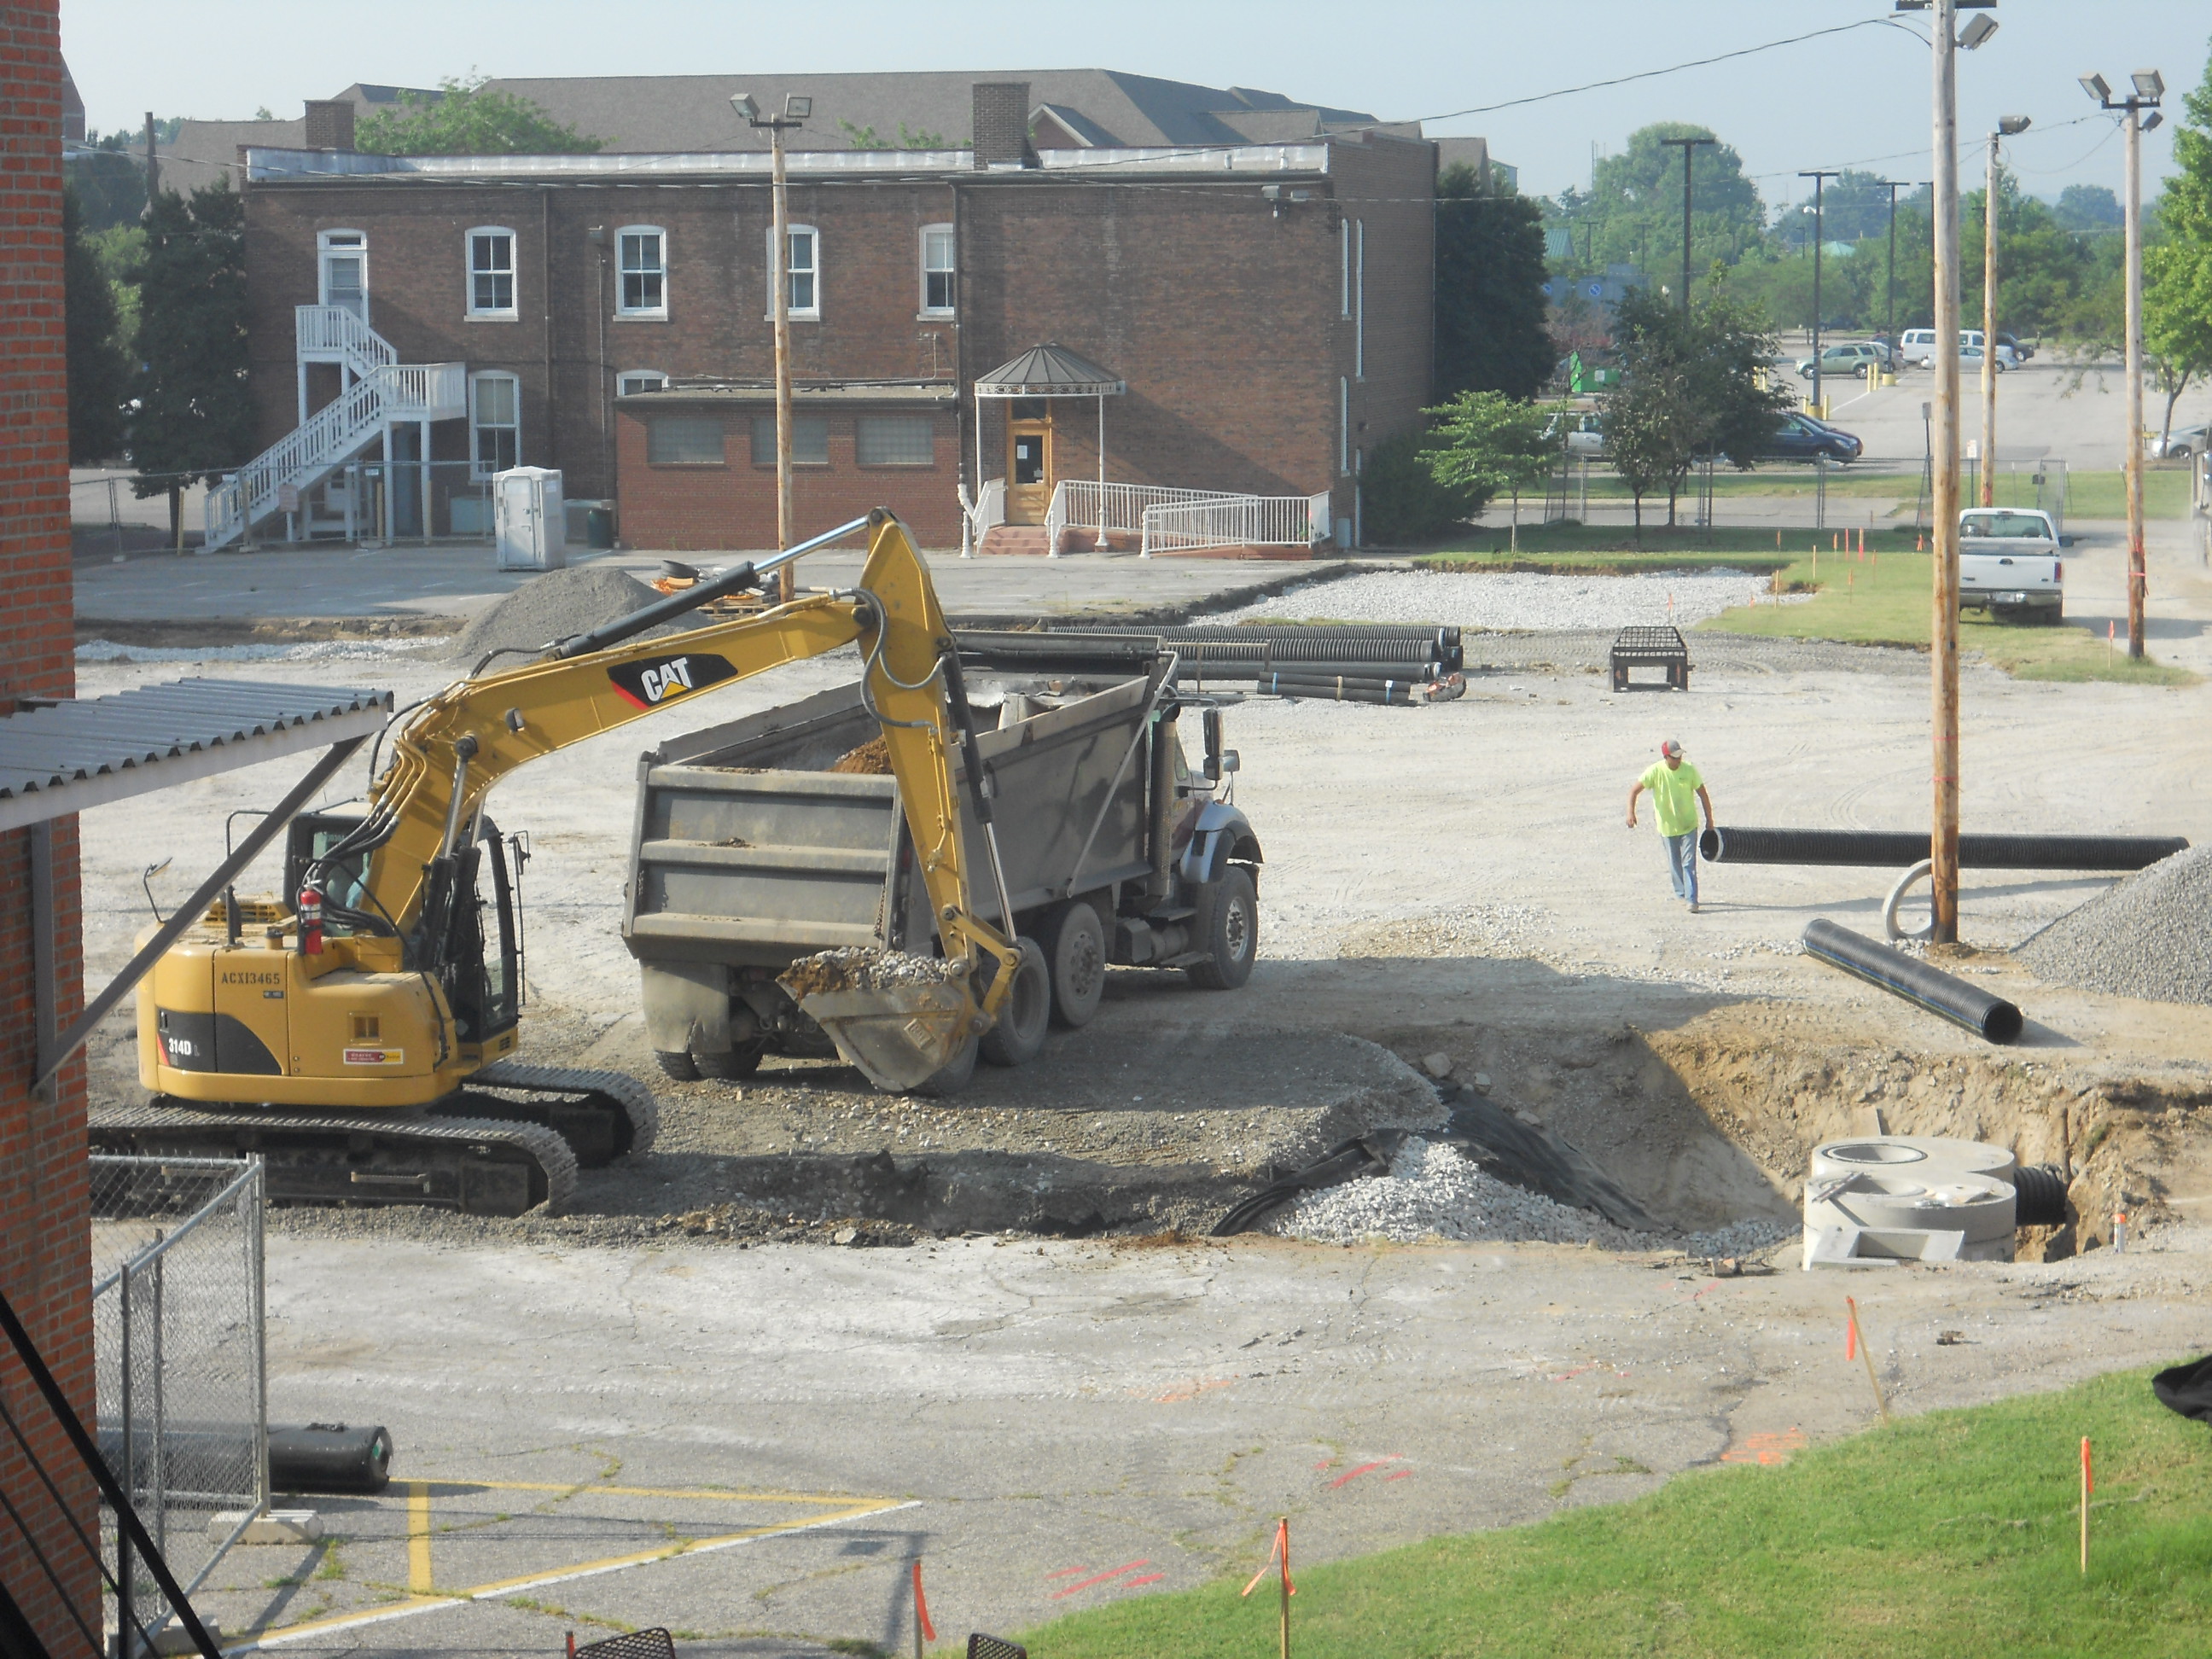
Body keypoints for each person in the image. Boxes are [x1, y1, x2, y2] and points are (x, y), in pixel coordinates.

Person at [1627, 739, 1714, 912]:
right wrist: (1631, 812)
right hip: (1667, 827)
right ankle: (1682, 893)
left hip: (1688, 824)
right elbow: (1634, 791)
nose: (1678, 760)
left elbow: (1703, 794)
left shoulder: (1689, 770)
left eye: (1680, 756)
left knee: (1688, 863)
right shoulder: (1655, 771)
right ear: (1666, 757)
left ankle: (1692, 899)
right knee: (1675, 863)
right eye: (1674, 757)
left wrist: (1709, 820)